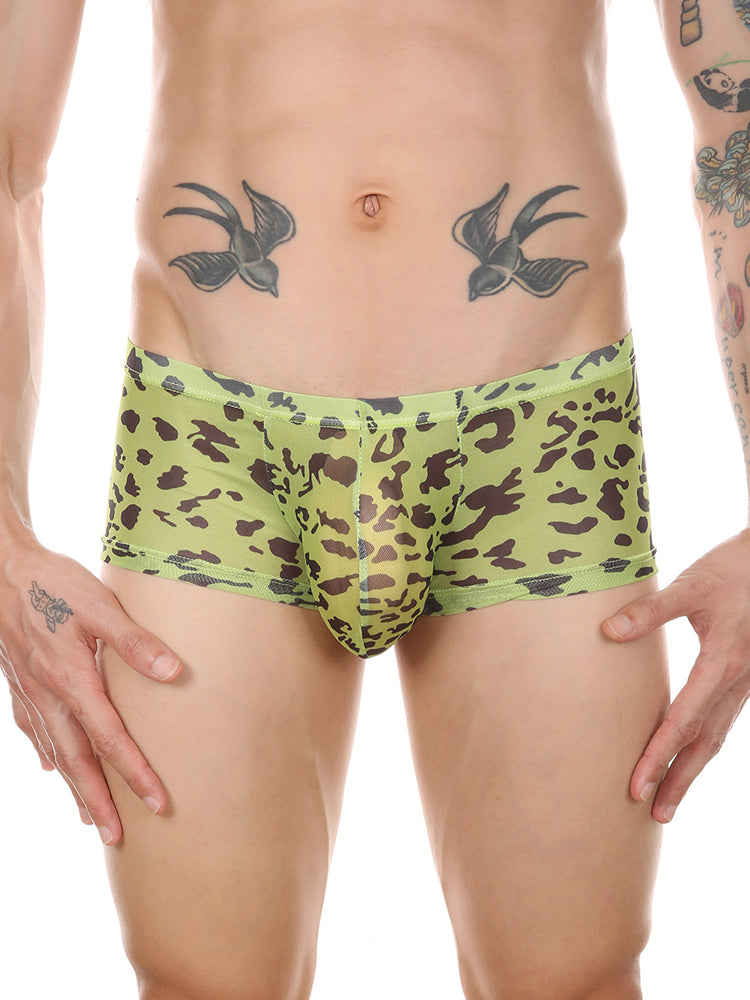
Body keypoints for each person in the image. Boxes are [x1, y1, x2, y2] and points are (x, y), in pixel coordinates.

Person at [2, 2, 750, 999]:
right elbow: (6, 151)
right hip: (218, 441)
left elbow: (738, 132)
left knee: (571, 980)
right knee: (199, 983)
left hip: (539, 436)